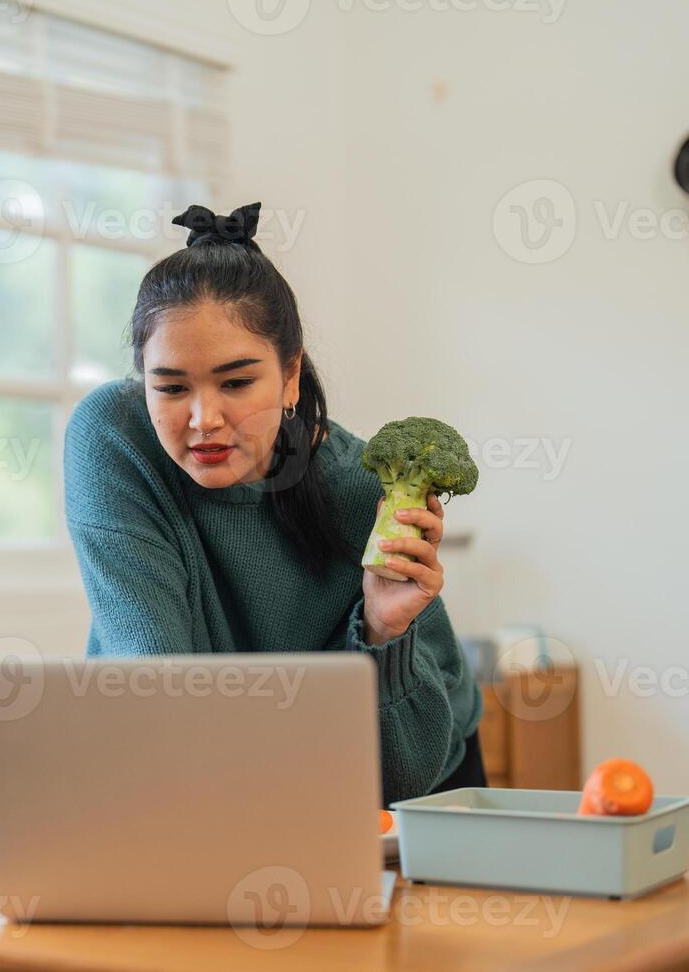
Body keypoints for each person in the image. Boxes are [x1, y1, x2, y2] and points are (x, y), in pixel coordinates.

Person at [63, 202, 485, 804]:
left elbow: (400, 775)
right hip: (211, 777)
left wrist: (383, 632)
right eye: (171, 387)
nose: (204, 420)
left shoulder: (365, 492)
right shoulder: (114, 438)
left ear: (290, 377)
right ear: (142, 382)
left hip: (423, 767)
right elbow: (156, 693)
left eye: (236, 383)